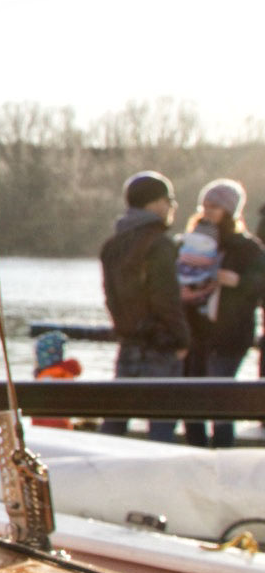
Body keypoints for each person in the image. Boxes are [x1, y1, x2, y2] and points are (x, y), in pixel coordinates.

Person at [177, 179, 265, 449]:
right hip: (196, 331)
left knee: (221, 397)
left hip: (230, 334)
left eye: (214, 206)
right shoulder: (189, 242)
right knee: (191, 398)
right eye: (204, 205)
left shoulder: (247, 247)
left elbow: (260, 284)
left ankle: (223, 454)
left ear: (229, 210)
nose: (207, 210)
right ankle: (196, 451)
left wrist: (238, 282)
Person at [99, 170, 186, 440]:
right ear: (156, 203)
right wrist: (182, 338)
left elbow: (110, 296)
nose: (171, 207)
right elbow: (165, 297)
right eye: (169, 201)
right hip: (160, 343)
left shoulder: (113, 245)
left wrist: (123, 329)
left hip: (128, 341)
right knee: (161, 421)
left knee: (115, 420)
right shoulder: (159, 244)